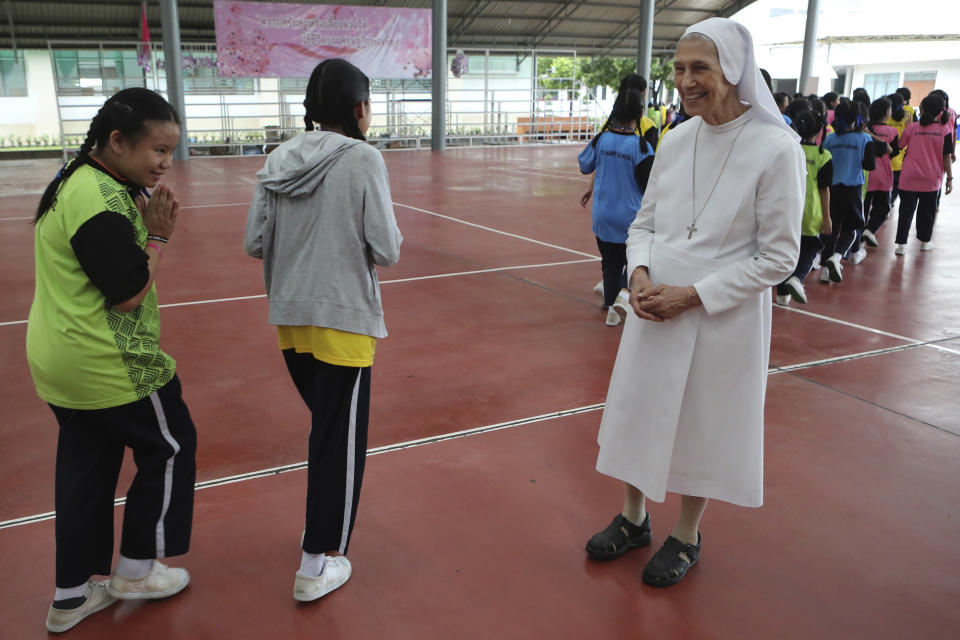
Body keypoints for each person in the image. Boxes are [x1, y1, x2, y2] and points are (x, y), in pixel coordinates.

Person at [585, 18, 804, 587]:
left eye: (699, 68)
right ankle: (633, 519)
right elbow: (646, 223)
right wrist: (637, 275)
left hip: (719, 316)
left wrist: (694, 294)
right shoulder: (677, 139)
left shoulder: (777, 148)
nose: (685, 81)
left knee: (703, 423)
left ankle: (687, 533)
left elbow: (779, 257)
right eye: (679, 68)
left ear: (733, 71)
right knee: (638, 412)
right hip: (653, 304)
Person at [26, 87, 195, 633]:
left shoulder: (77, 180)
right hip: (108, 360)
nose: (166, 163)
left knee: (88, 469)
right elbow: (126, 292)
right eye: (157, 150)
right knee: (171, 444)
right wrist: (159, 237)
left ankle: (72, 596)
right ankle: (137, 568)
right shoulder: (96, 198)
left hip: (59, 359)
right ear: (117, 141)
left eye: (172, 151)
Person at [244, 59, 402, 602]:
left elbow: (254, 242)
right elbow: (388, 248)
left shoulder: (279, 157)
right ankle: (317, 563)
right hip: (344, 321)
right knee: (339, 442)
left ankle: (318, 545)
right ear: (359, 109)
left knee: (328, 433)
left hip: (291, 322)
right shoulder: (363, 159)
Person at [578, 74, 656, 326]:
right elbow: (649, 186)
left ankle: (611, 304)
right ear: (639, 113)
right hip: (630, 218)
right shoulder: (642, 147)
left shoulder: (602, 140)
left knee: (609, 264)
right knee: (634, 263)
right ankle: (622, 299)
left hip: (602, 216)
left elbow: (584, 164)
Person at [776, 109, 832, 306]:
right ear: (819, 131)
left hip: (787, 207)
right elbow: (824, 189)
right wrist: (827, 216)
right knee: (809, 248)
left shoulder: (789, 149)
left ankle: (782, 294)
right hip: (811, 211)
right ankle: (798, 277)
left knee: (785, 250)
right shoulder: (823, 156)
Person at [819, 99, 879, 282]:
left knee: (831, 229)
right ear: (858, 119)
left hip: (831, 190)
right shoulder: (864, 139)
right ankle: (837, 257)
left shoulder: (829, 139)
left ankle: (824, 272)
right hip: (852, 190)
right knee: (852, 229)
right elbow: (870, 165)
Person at [894, 93, 954, 254]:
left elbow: (900, 145)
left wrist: (908, 128)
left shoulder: (913, 127)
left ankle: (901, 245)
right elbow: (946, 157)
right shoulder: (945, 130)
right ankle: (925, 242)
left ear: (922, 109)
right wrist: (950, 178)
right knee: (927, 214)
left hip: (908, 178)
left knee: (905, 212)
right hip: (931, 180)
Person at [862, 98, 899, 247]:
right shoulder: (893, 132)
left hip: (865, 176)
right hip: (883, 176)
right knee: (883, 207)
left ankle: (858, 238)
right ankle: (870, 230)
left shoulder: (866, 129)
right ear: (887, 113)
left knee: (863, 209)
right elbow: (893, 152)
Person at [886, 92, 911, 207]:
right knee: (896, 184)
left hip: (885, 156)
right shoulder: (907, 117)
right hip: (900, 158)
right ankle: (890, 201)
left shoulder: (885, 116)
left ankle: (885, 202)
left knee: (885, 184)